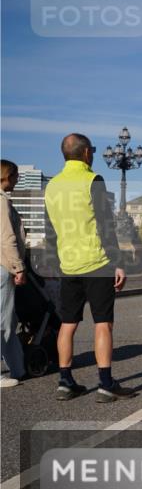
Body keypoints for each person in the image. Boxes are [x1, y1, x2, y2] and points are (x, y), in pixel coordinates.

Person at [43, 133, 135, 402]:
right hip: (97, 263)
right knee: (103, 324)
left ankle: (65, 381)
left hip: (68, 264)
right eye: (92, 151)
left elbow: (51, 230)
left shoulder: (52, 186)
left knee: (68, 324)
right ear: (85, 154)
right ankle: (106, 384)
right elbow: (105, 226)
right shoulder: (92, 180)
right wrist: (118, 263)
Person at [1, 160, 28, 388]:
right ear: (7, 176)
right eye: (16, 176)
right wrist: (18, 268)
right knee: (4, 322)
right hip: (2, 268)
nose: (18, 180)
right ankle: (9, 371)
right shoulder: (1, 202)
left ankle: (18, 368)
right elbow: (7, 239)